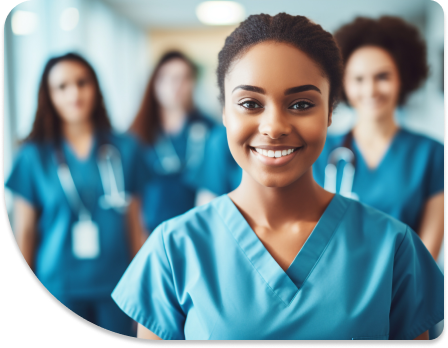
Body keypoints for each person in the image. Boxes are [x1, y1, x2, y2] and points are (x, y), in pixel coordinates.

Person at [111, 13, 443, 340]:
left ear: (330, 111)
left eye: (300, 104)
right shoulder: (173, 250)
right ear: (224, 112)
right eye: (250, 103)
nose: (274, 127)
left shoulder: (394, 248)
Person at [5, 53, 146, 337]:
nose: (74, 93)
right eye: (62, 86)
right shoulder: (33, 156)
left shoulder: (126, 149)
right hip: (57, 286)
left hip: (117, 286)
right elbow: (25, 234)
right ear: (48, 95)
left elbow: (134, 226)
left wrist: (144, 288)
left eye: (82, 83)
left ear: (95, 87)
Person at [312, 17, 444, 262]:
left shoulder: (432, 155)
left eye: (382, 77)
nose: (370, 90)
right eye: (358, 79)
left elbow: (427, 256)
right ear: (343, 83)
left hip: (405, 291)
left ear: (402, 78)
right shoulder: (319, 151)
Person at [129, 51, 215, 233]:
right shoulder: (137, 135)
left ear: (193, 83)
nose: (176, 86)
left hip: (198, 228)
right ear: (154, 83)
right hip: (151, 230)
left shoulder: (211, 130)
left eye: (183, 78)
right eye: (168, 78)